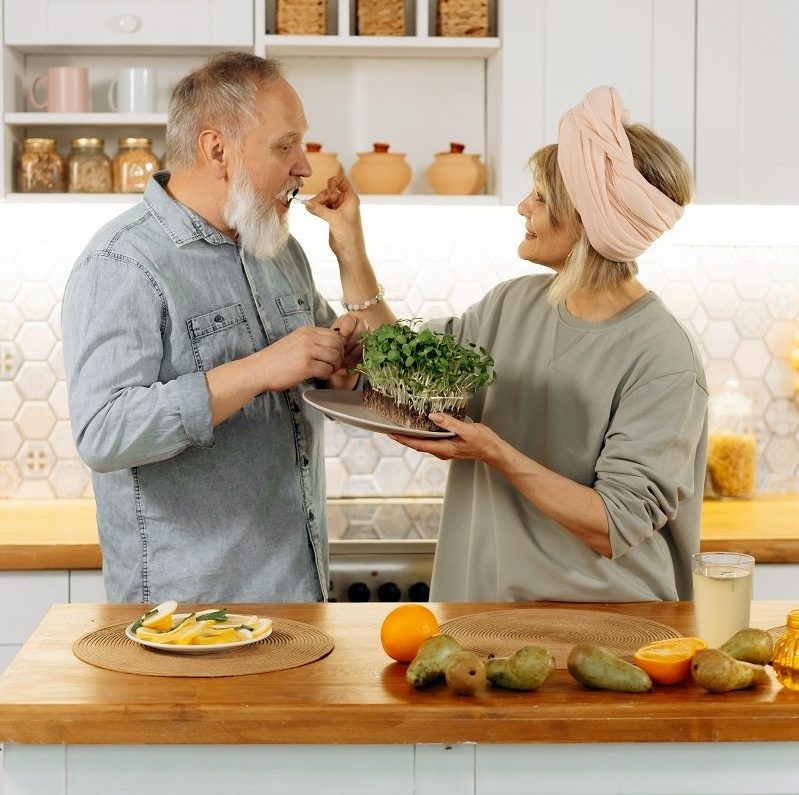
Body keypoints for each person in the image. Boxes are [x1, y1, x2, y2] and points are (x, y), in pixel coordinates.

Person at [307, 86, 707, 602]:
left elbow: (613, 524)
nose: (523, 207)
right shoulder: (515, 303)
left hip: (604, 632)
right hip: (482, 613)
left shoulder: (663, 358)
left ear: (587, 219)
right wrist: (349, 246)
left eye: (541, 196)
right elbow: (407, 369)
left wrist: (495, 452)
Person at [61, 52, 371, 604]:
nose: (304, 167)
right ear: (217, 150)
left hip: (298, 600)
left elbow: (329, 374)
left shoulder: (279, 251)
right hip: (186, 619)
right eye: (285, 146)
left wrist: (336, 370)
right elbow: (103, 433)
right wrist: (257, 370)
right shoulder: (123, 262)